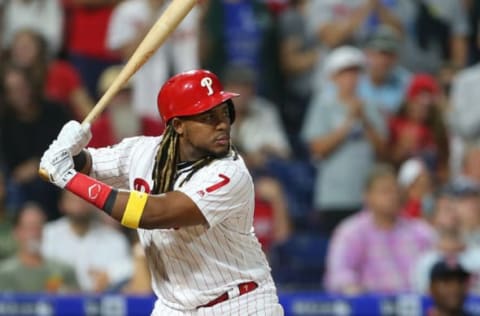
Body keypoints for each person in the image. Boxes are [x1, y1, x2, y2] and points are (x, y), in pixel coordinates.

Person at [39, 69, 283, 314]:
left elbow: (154, 214)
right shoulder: (141, 152)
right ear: (178, 125)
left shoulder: (230, 172)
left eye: (224, 112)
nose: (222, 124)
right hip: (174, 306)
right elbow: (86, 164)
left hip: (239, 302)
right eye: (208, 117)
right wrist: (67, 150)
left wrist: (67, 178)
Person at [301, 46, 387, 234]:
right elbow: (317, 149)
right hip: (334, 197)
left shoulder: (370, 106)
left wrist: (364, 119)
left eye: (355, 73)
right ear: (333, 77)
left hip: (367, 195)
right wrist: (348, 123)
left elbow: (382, 150)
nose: (351, 79)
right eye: (345, 73)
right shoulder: (323, 105)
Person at [325, 164, 435, 294]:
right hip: (370, 307)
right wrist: (352, 288)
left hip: (417, 306)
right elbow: (339, 273)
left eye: (396, 191)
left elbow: (436, 263)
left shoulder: (420, 231)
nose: (393, 197)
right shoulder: (351, 232)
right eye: (385, 192)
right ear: (367, 196)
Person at [42, 191, 133, 293]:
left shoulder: (116, 240)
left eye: (84, 199)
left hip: (102, 301)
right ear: (61, 204)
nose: (79, 205)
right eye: (73, 200)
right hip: (58, 303)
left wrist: (110, 275)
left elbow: (130, 270)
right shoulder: (47, 235)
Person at [0, 202, 78, 293]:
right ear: (17, 232)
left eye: (38, 227)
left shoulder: (64, 270)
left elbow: (80, 301)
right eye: (29, 228)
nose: (34, 234)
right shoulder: (4, 273)